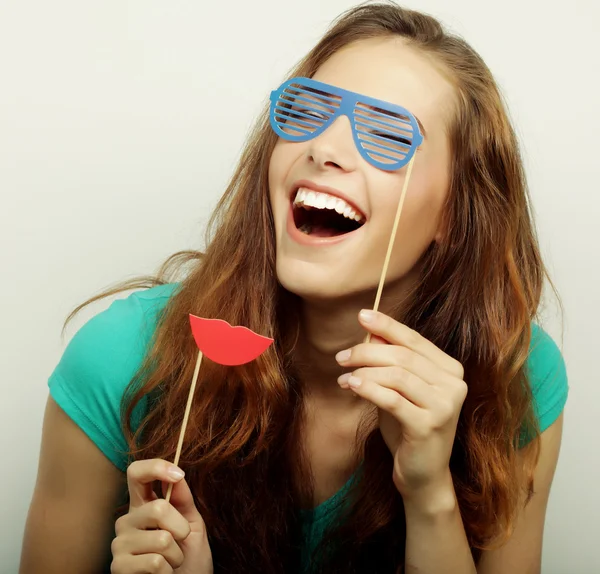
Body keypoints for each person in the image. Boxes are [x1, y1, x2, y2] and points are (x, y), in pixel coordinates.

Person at [20, 3, 568, 573]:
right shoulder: (121, 357)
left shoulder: (515, 376)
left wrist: (429, 495)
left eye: (386, 134)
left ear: (455, 213)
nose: (323, 148)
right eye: (307, 111)